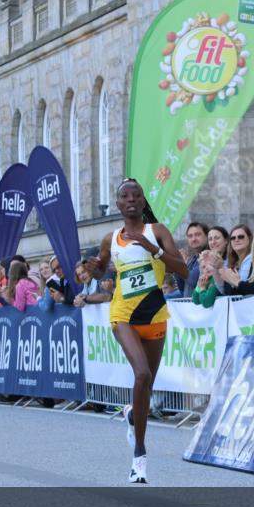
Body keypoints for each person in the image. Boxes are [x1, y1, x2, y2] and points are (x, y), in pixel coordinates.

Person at [85, 179, 187, 484]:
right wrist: (93, 268)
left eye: (136, 196)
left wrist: (152, 250)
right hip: (123, 315)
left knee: (148, 385)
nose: (131, 200)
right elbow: (100, 268)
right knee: (141, 374)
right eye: (124, 196)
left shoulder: (157, 232)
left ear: (143, 202)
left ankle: (133, 415)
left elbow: (181, 270)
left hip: (155, 313)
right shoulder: (110, 238)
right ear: (118, 205)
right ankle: (139, 457)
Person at [177, 222, 208, 298]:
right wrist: (178, 263)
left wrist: (181, 265)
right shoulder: (192, 259)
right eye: (190, 236)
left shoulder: (208, 256)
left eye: (198, 235)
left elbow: (193, 280)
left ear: (207, 236)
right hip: (191, 307)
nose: (193, 239)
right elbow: (182, 287)